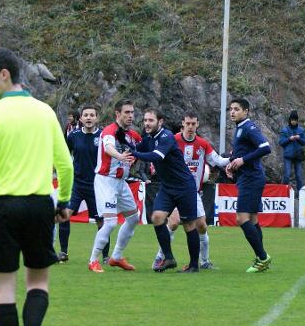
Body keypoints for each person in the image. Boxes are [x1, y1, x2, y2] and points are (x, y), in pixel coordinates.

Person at [0, 48, 74, 326]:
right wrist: (63, 201)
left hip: (1, 208)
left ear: (4, 74)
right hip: (39, 206)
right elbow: (65, 164)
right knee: (38, 282)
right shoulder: (44, 112)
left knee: (4, 290)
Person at [151, 111, 229, 270]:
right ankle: (161, 257)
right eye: (188, 123)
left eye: (194, 124)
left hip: (192, 192)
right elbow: (158, 156)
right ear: (183, 124)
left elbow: (218, 160)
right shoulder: (172, 140)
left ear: (197, 124)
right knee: (173, 223)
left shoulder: (203, 144)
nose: (191, 127)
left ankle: (204, 261)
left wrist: (233, 158)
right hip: (174, 189)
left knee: (201, 226)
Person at [130, 108, 201, 273]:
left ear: (160, 122)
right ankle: (169, 258)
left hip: (184, 186)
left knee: (189, 225)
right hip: (167, 187)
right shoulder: (149, 138)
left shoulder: (166, 136)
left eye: (151, 120)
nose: (147, 123)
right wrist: (124, 143)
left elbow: (156, 156)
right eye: (145, 120)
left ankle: (194, 265)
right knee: (157, 217)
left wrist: (134, 153)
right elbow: (136, 146)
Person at [87, 99, 141, 273]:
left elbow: (142, 148)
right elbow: (109, 147)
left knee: (133, 218)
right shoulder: (109, 131)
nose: (130, 116)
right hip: (105, 180)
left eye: (132, 112)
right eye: (127, 112)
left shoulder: (133, 135)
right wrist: (120, 156)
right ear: (117, 114)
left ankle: (116, 257)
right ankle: (93, 260)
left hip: (121, 182)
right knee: (110, 223)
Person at [225, 98, 273, 273]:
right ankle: (261, 259)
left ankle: (262, 257)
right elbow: (242, 154)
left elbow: (266, 147)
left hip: (252, 179)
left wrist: (242, 160)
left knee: (241, 218)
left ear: (246, 111)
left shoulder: (248, 127)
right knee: (252, 220)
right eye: (231, 109)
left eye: (237, 109)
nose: (232, 112)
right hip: (247, 177)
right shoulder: (239, 129)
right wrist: (233, 165)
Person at [58, 105, 110, 263]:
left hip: (96, 185)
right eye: (85, 115)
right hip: (77, 184)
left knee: (102, 221)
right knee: (64, 215)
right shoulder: (73, 136)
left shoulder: (102, 136)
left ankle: (106, 256)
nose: (88, 118)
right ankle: (63, 252)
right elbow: (65, 156)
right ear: (80, 119)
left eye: (92, 115)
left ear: (97, 118)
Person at [278, 110, 305, 192]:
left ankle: (300, 194)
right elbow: (281, 142)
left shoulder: (301, 130)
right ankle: (284, 192)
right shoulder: (285, 130)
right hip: (288, 155)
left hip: (298, 156)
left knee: (299, 176)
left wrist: (299, 139)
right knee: (287, 175)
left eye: (295, 120)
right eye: (292, 120)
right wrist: (289, 139)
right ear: (289, 120)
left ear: (297, 120)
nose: (293, 121)